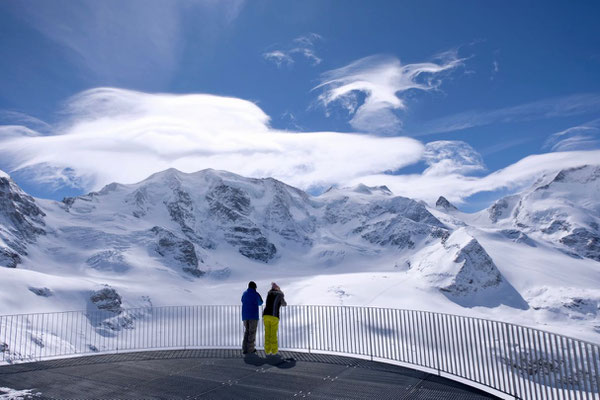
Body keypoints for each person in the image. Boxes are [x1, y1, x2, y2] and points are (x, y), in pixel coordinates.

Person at [262, 282, 287, 355]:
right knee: (273, 334)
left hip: (266, 315)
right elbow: (284, 304)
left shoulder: (269, 294)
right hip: (274, 316)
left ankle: (267, 350)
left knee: (267, 333)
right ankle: (274, 351)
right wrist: (281, 293)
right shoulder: (280, 294)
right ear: (278, 288)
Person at [241, 281, 263, 354]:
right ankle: (250, 349)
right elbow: (261, 302)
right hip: (253, 315)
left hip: (245, 316)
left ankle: (244, 348)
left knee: (247, 331)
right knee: (252, 332)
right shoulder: (256, 294)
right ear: (255, 287)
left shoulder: (244, 293)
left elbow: (242, 300)